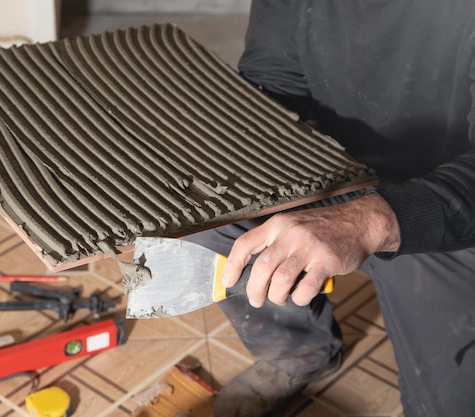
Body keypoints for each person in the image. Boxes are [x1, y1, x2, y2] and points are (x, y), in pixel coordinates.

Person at [185, 1, 475, 416]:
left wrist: (369, 220)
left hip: (452, 211)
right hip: (340, 172)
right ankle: (301, 356)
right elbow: (273, 76)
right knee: (201, 210)